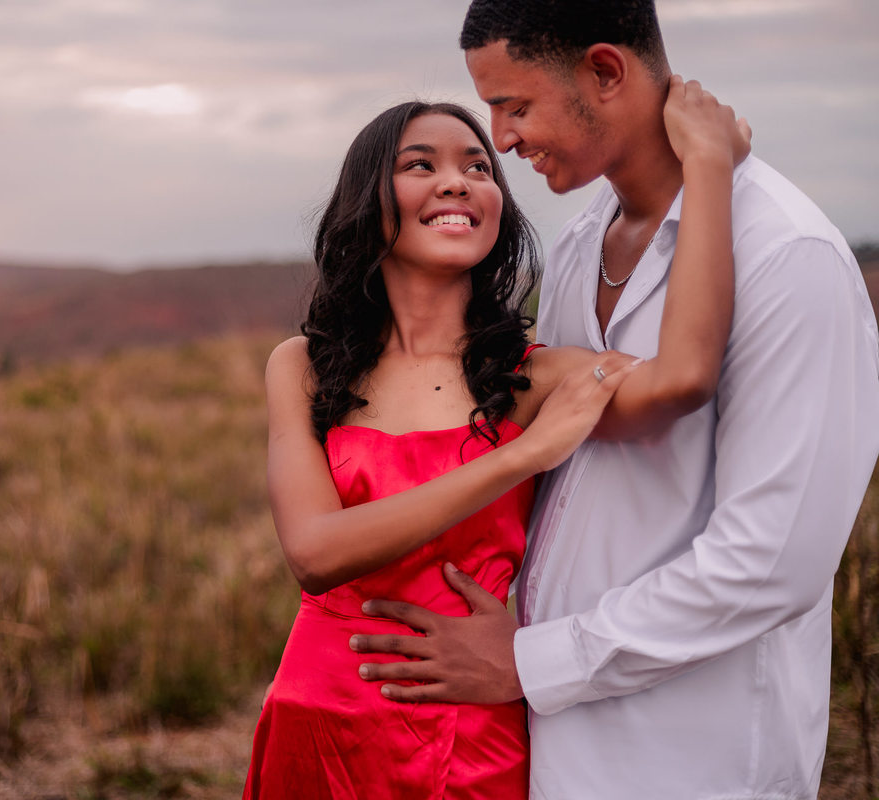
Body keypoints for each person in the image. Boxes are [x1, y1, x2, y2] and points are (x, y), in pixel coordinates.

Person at [350, 2, 879, 798]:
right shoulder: (575, 245)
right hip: (544, 743)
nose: (502, 139)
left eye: (516, 106)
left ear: (604, 72)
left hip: (692, 757)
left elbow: (770, 564)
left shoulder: (786, 259)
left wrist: (531, 660)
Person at [243, 81, 747, 798]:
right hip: (315, 717)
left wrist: (709, 171)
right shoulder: (301, 365)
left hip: (468, 729)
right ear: (368, 202)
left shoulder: (538, 377)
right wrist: (519, 457)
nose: (458, 180)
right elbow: (315, 553)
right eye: (421, 165)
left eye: (479, 167)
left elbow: (688, 377)